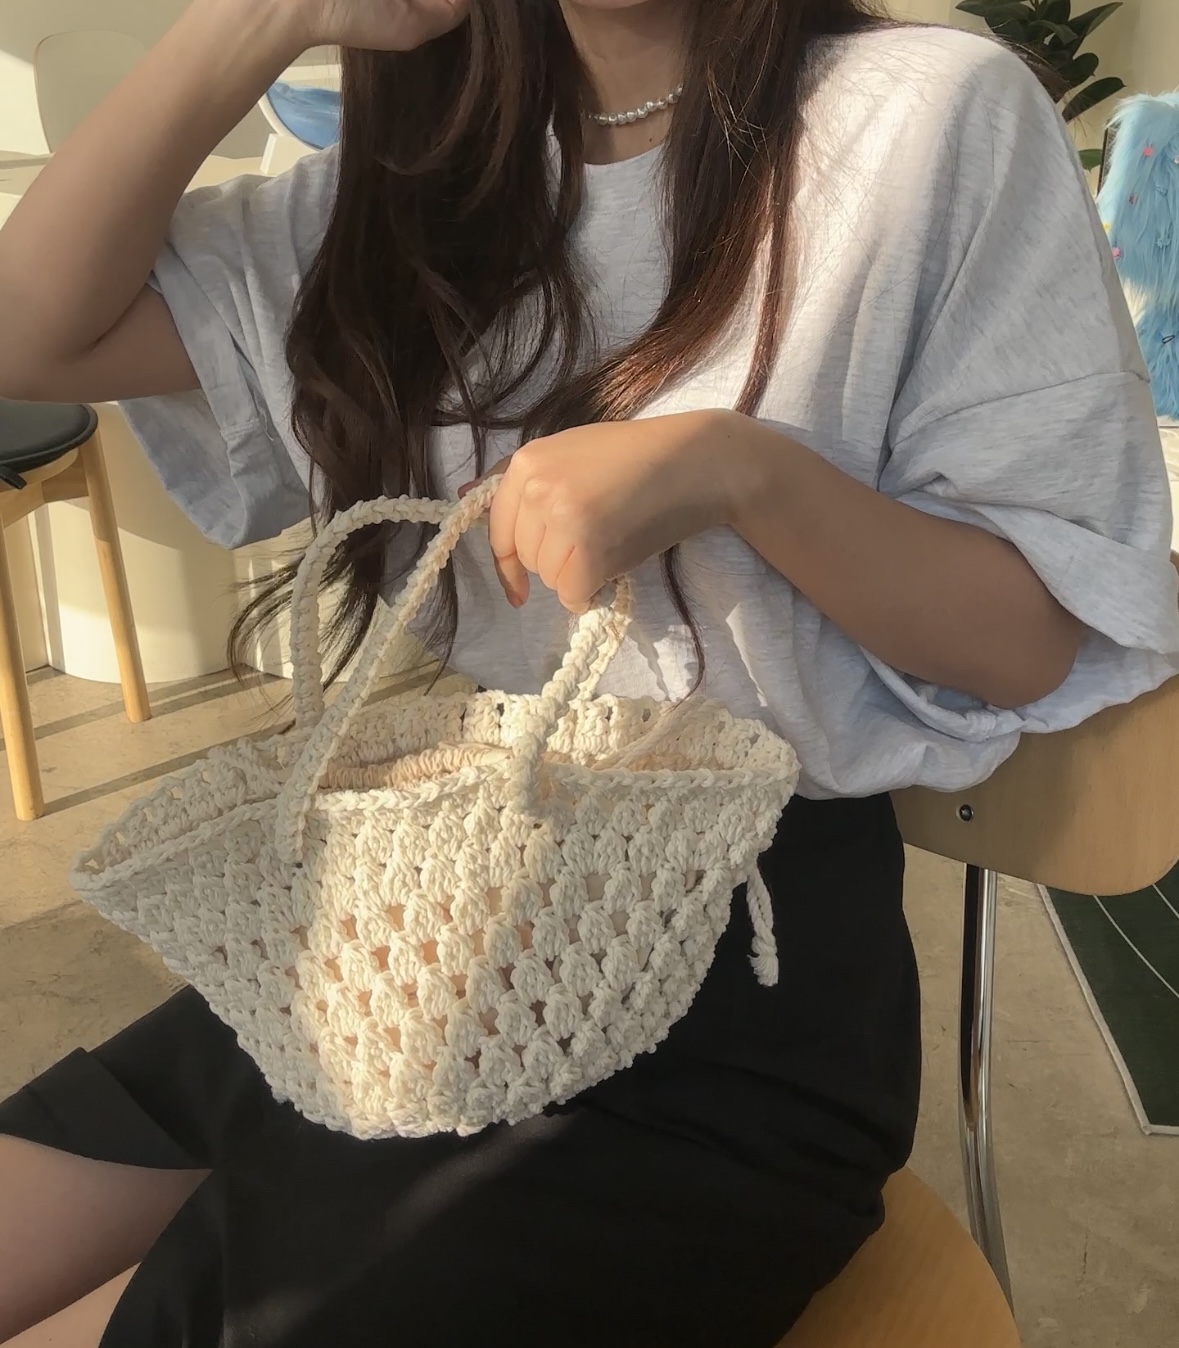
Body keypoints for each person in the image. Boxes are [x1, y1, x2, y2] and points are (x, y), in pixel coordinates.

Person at [0, 0, 1176, 1344]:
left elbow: (1029, 641)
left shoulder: (924, 116)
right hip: (419, 939)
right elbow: (30, 335)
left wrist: (740, 473)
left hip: (734, 1019)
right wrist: (269, 18)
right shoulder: (421, 187)